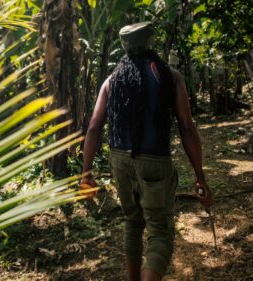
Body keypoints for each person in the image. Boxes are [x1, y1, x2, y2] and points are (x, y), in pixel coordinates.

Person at [80, 22, 212, 281]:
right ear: (151, 42)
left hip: (120, 161)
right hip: (155, 162)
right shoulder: (170, 76)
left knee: (132, 222)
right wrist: (200, 175)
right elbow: (186, 126)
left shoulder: (111, 81)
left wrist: (86, 173)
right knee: (160, 233)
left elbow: (94, 128)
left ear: (124, 46)